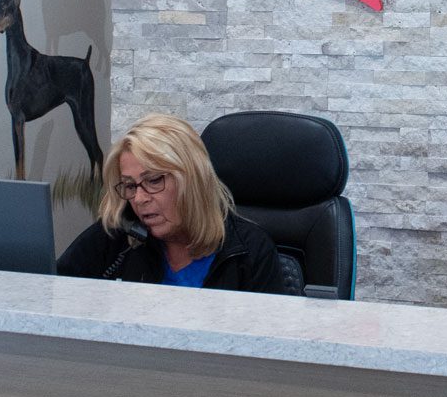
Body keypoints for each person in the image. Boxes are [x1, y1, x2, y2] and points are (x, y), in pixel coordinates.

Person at [58, 113, 285, 292]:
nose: (139, 198)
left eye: (154, 180)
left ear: (192, 180)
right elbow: (52, 292)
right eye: (130, 185)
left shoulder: (250, 251)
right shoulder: (116, 236)